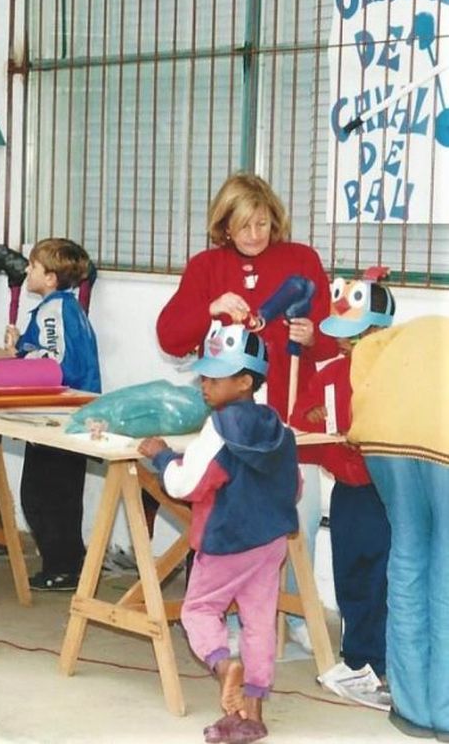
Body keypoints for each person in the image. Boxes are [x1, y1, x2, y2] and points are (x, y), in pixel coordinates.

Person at [156, 172, 336, 651]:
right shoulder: (206, 266)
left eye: (262, 224)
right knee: (233, 521)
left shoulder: (301, 260)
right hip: (231, 423)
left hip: (290, 417)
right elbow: (170, 337)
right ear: (224, 226)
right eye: (243, 226)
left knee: (299, 515)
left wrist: (313, 337)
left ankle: (295, 611)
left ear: (275, 220)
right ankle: (229, 617)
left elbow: (332, 340)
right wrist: (209, 308)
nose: (255, 235)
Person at [138, 323, 299, 744]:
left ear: (245, 381)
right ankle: (252, 713)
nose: (204, 384)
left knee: (198, 610)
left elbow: (185, 485)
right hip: (270, 540)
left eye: (215, 377)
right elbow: (295, 485)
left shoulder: (220, 428)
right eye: (204, 376)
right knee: (259, 620)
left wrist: (163, 457)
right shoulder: (276, 425)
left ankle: (226, 667)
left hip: (227, 539)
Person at [291, 269, 395, 706]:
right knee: (350, 573)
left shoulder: (396, 375)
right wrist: (311, 420)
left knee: (384, 577)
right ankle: (357, 660)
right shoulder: (331, 374)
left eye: (359, 334)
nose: (348, 343)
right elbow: (299, 424)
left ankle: (384, 662)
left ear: (382, 333)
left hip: (388, 492)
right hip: (348, 492)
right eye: (344, 335)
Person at [347, 315, 449, 739]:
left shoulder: (409, 333)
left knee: (407, 558)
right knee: (446, 572)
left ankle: (412, 709)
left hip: (384, 437)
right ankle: (445, 712)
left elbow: (362, 357)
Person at [3, 238, 100, 591]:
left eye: (33, 266)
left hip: (58, 415)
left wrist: (19, 357)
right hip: (72, 413)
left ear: (51, 278)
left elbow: (57, 364)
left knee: (41, 495)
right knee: (64, 495)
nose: (27, 271)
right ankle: (69, 564)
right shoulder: (64, 308)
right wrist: (20, 344)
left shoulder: (53, 310)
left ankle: (62, 567)